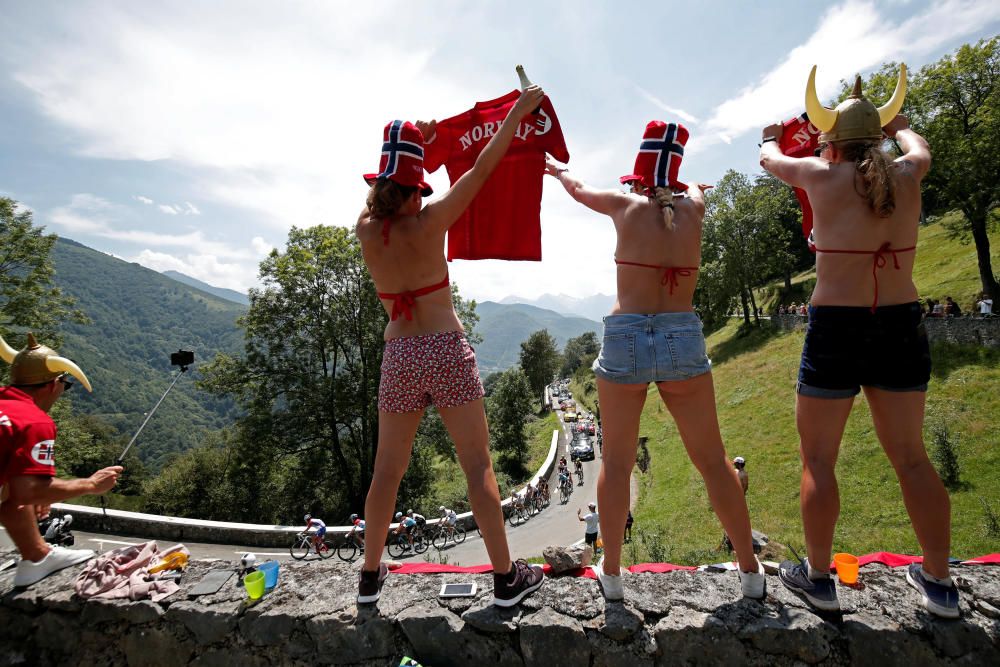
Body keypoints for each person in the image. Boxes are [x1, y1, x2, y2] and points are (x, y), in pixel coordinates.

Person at [760, 65, 959, 618]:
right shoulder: (910, 172)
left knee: (819, 459)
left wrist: (769, 136)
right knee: (913, 460)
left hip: (836, 327)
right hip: (899, 321)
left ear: (830, 146)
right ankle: (940, 584)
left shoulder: (822, 178)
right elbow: (918, 144)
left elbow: (770, 160)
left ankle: (820, 579)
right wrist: (898, 123)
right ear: (877, 139)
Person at [546, 121, 765, 603]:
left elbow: (579, 189)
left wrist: (560, 172)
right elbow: (688, 194)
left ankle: (613, 574)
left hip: (625, 334)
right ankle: (750, 572)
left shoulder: (624, 206)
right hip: (680, 333)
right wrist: (693, 189)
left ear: (638, 173)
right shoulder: (696, 209)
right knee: (713, 461)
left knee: (618, 462)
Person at [355, 87, 546, 607]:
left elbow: (384, 201)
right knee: (478, 466)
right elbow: (483, 166)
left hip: (399, 355)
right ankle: (506, 579)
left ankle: (370, 577)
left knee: (385, 472)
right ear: (417, 185)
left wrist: (417, 139)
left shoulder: (366, 231)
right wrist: (516, 114)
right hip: (444, 347)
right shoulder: (430, 221)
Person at [0, 333, 122, 587]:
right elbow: (29, 491)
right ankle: (38, 557)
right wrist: (91, 484)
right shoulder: (32, 420)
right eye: (66, 384)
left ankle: (37, 556)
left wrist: (30, 493)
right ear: (53, 384)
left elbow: (18, 497)